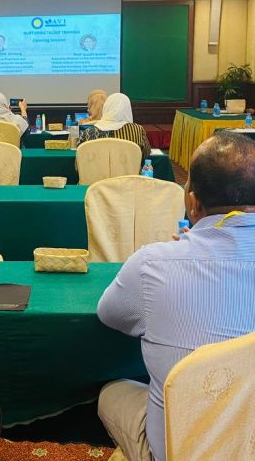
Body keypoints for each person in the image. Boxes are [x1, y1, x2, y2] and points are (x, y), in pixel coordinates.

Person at [96, 131, 255, 461]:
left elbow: (109, 314)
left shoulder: (152, 264)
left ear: (193, 203)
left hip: (176, 452)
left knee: (112, 393)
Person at [78, 92, 151, 161]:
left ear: (106, 107)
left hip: (95, 171)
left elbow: (79, 161)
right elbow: (146, 154)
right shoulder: (137, 130)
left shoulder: (88, 133)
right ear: (128, 109)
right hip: (130, 170)